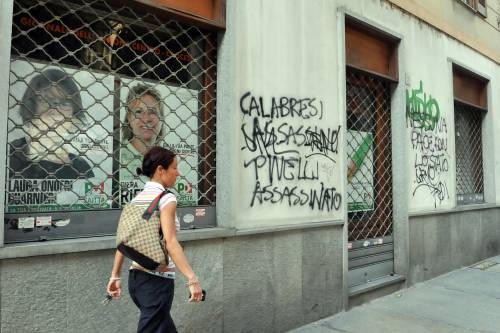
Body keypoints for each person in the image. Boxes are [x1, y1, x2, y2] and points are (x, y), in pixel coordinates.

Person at [107, 146, 203, 333]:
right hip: (156, 282)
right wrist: (192, 279)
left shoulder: (137, 198)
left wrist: (115, 275)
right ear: (161, 170)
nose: (178, 173)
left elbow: (124, 241)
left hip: (136, 280)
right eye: (174, 167)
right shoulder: (166, 199)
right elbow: (170, 242)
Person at [8, 68, 94, 179]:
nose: (55, 110)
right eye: (45, 100)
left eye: (65, 103)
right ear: (31, 107)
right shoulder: (9, 156)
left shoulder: (81, 168)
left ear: (73, 115)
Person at [120, 84, 164, 203]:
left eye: (152, 111)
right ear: (129, 118)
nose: (146, 119)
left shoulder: (169, 160)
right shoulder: (115, 159)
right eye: (139, 112)